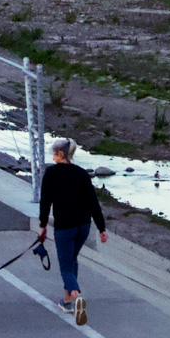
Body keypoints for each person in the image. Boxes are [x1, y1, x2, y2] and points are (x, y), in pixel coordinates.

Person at [37, 138, 107, 326]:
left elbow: (45, 202)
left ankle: (76, 297)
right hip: (83, 226)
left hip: (65, 227)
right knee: (72, 259)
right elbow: (93, 202)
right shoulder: (81, 174)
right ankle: (67, 301)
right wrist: (101, 228)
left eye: (54, 153)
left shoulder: (51, 174)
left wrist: (42, 225)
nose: (53, 156)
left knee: (66, 265)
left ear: (61, 154)